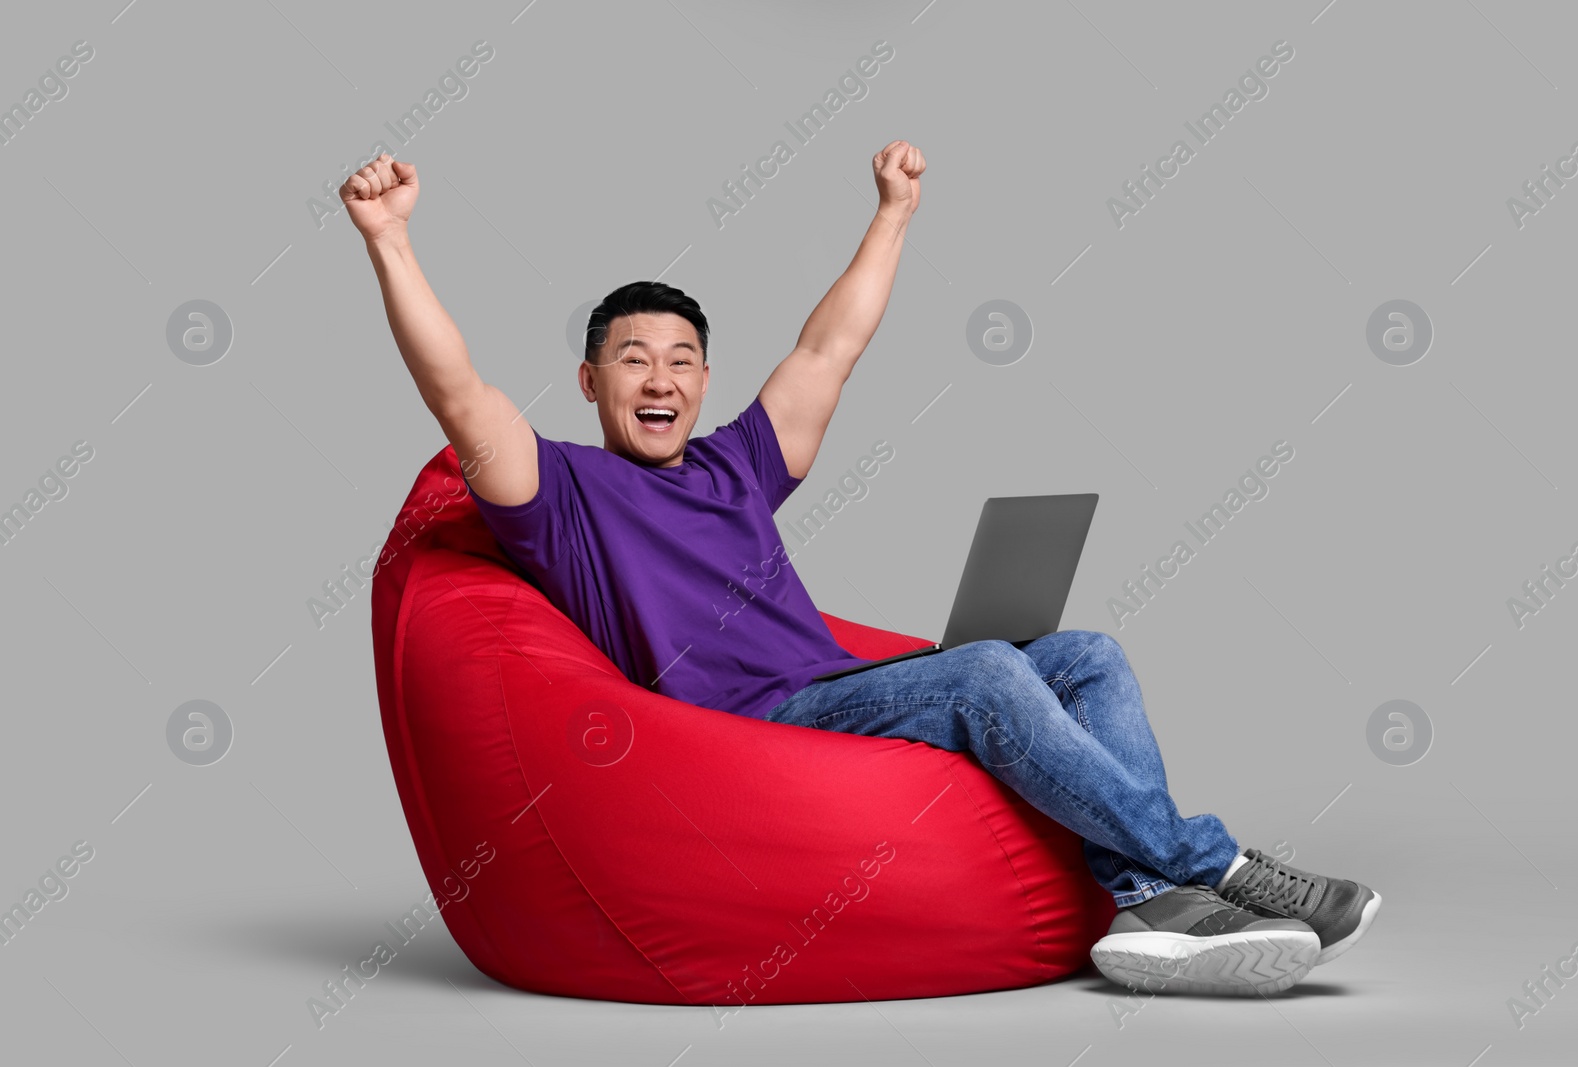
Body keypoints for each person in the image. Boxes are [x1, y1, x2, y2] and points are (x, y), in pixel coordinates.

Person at [344, 140, 1380, 996]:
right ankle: (1215, 866)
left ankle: (1151, 906)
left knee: (1087, 653)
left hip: (839, 687)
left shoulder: (734, 465)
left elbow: (827, 350)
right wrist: (390, 241)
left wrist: (892, 212)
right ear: (588, 379)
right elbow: (459, 391)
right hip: (751, 724)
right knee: (981, 673)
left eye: (679, 360)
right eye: (631, 358)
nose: (658, 379)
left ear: (704, 378)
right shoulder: (561, 494)